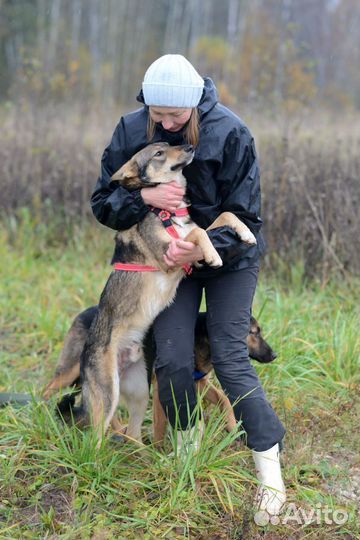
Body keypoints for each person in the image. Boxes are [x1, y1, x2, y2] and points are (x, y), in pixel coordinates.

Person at [91, 54, 286, 516]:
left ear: (197, 103)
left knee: (230, 356)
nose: (166, 123)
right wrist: (144, 196)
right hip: (168, 266)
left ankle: (270, 475)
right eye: (158, 115)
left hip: (227, 260)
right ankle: (187, 458)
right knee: (174, 359)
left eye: (176, 115)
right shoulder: (131, 130)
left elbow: (248, 218)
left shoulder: (231, 132)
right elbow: (104, 203)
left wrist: (201, 247)